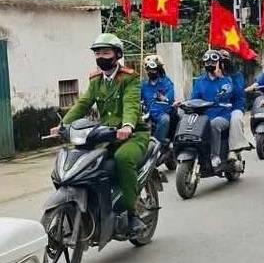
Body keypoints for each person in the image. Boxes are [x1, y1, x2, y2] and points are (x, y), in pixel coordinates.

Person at [54, 34, 149, 236]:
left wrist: (128, 126)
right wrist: (63, 124)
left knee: (123, 158)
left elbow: (131, 105)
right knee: (82, 160)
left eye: (105, 52)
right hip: (105, 135)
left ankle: (132, 215)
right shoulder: (96, 80)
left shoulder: (129, 78)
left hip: (132, 135)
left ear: (117, 55)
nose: (101, 57)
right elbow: (83, 104)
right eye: (97, 53)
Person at [190, 49, 235, 168]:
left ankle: (215, 156)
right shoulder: (200, 81)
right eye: (207, 62)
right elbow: (194, 99)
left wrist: (221, 77)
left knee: (214, 124)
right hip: (205, 116)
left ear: (219, 63)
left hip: (223, 115)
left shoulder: (226, 79)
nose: (210, 65)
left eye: (213, 62)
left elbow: (229, 93)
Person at [218, 50, 251, 156]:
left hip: (234, 107)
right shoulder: (207, 78)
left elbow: (237, 92)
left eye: (223, 62)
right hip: (215, 108)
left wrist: (224, 79)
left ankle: (234, 149)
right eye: (218, 62)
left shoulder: (236, 76)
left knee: (235, 119)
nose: (220, 65)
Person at [140, 54, 176, 144]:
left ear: (158, 69)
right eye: (148, 69)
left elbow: (170, 98)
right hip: (149, 114)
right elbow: (136, 99)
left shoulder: (166, 82)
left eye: (153, 69)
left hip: (163, 113)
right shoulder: (144, 85)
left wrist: (165, 99)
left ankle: (158, 143)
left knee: (165, 119)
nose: (151, 72)